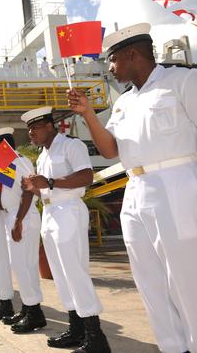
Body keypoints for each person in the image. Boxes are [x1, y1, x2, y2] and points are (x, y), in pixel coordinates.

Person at [68, 22, 197, 353]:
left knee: (186, 277)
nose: (110, 68)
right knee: (149, 280)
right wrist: (89, 116)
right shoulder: (124, 102)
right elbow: (110, 150)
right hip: (136, 188)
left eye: (113, 60)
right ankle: (172, 346)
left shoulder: (182, 81)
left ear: (133, 54)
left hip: (178, 183)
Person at [20, 106, 110, 353]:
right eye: (29, 129)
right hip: (50, 212)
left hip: (69, 211)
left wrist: (49, 182)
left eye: (35, 128)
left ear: (49, 126)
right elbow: (46, 189)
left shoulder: (72, 145)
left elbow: (86, 177)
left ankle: (96, 337)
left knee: (75, 272)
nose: (31, 133)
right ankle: (77, 329)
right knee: (60, 275)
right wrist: (33, 187)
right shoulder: (43, 156)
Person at [0, 128, 46, 333]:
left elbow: (28, 193)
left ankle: (34, 314)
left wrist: (18, 221)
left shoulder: (20, 163)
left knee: (25, 265)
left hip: (24, 216)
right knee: (20, 265)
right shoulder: (6, 166)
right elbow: (5, 194)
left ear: (4, 147)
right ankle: (28, 308)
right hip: (13, 215)